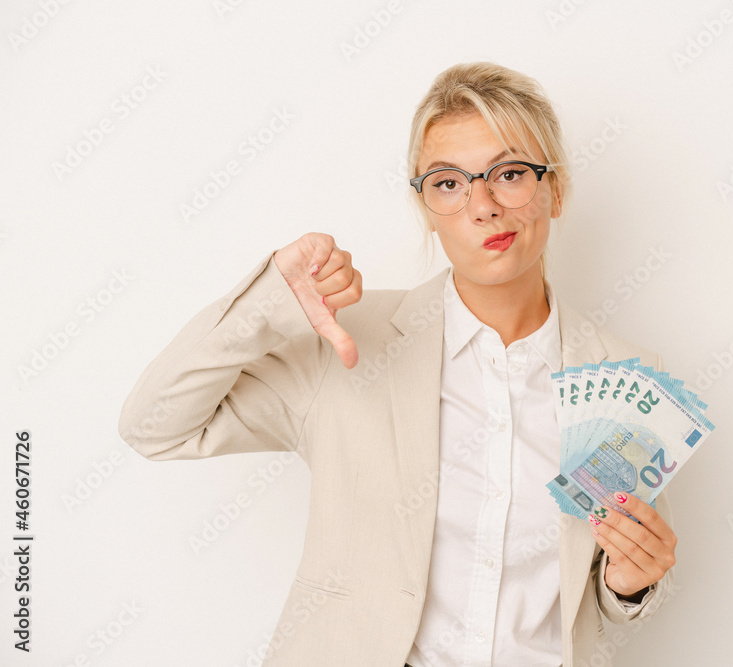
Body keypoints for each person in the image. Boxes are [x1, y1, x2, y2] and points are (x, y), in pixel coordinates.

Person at [119, 61, 678, 666]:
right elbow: (154, 426)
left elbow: (606, 582)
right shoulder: (345, 348)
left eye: (510, 173)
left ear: (556, 189)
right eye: (448, 183)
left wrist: (631, 584)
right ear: (425, 205)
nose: (483, 205)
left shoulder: (624, 380)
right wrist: (267, 301)